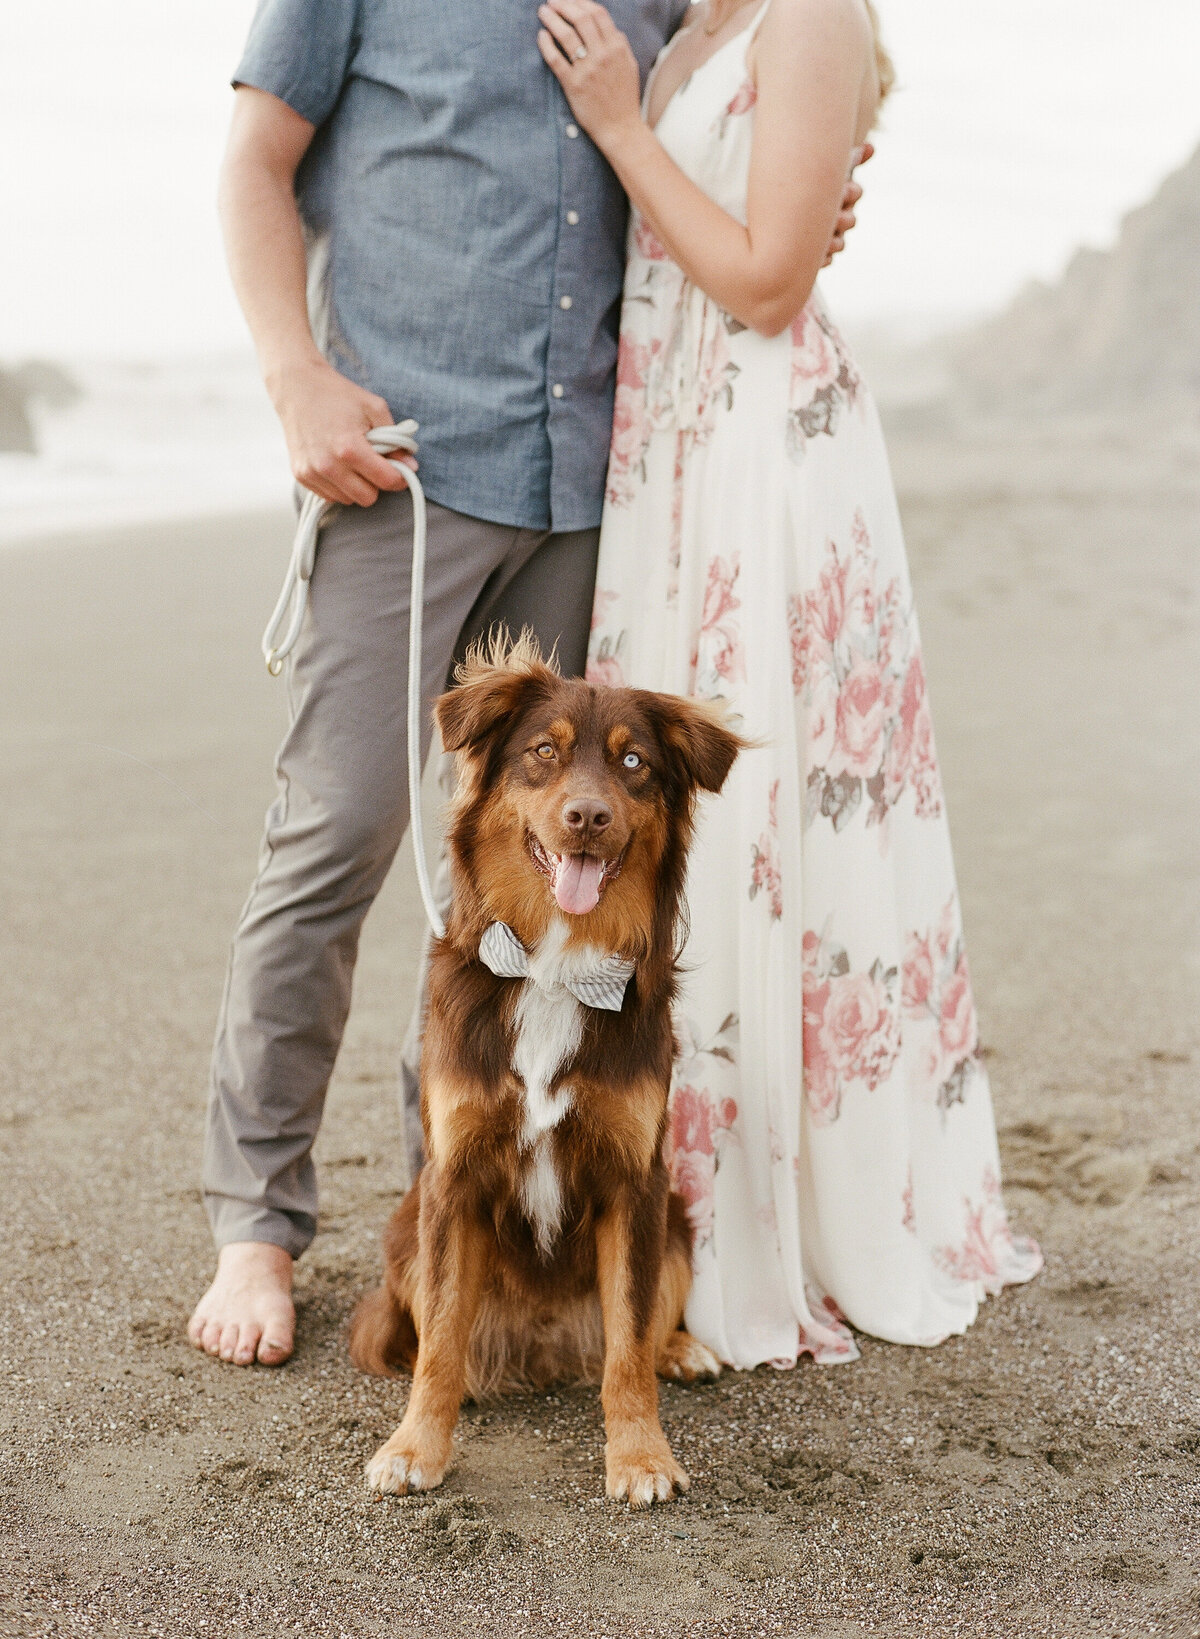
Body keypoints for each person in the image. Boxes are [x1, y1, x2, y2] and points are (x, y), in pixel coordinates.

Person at [187, 0, 867, 1368]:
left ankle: (452, 1194)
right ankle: (256, 1229)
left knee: (527, 894)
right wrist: (291, 377)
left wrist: (807, 181)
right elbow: (255, 163)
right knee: (335, 843)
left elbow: (730, 106)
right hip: (405, 476)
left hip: (594, 493)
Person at [539, 0, 1042, 1366]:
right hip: (675, 442)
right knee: (674, 826)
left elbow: (768, 282)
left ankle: (783, 1219)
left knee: (763, 823)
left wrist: (625, 130)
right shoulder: (688, 22)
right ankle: (663, 1202)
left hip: (761, 447)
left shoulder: (810, 11)